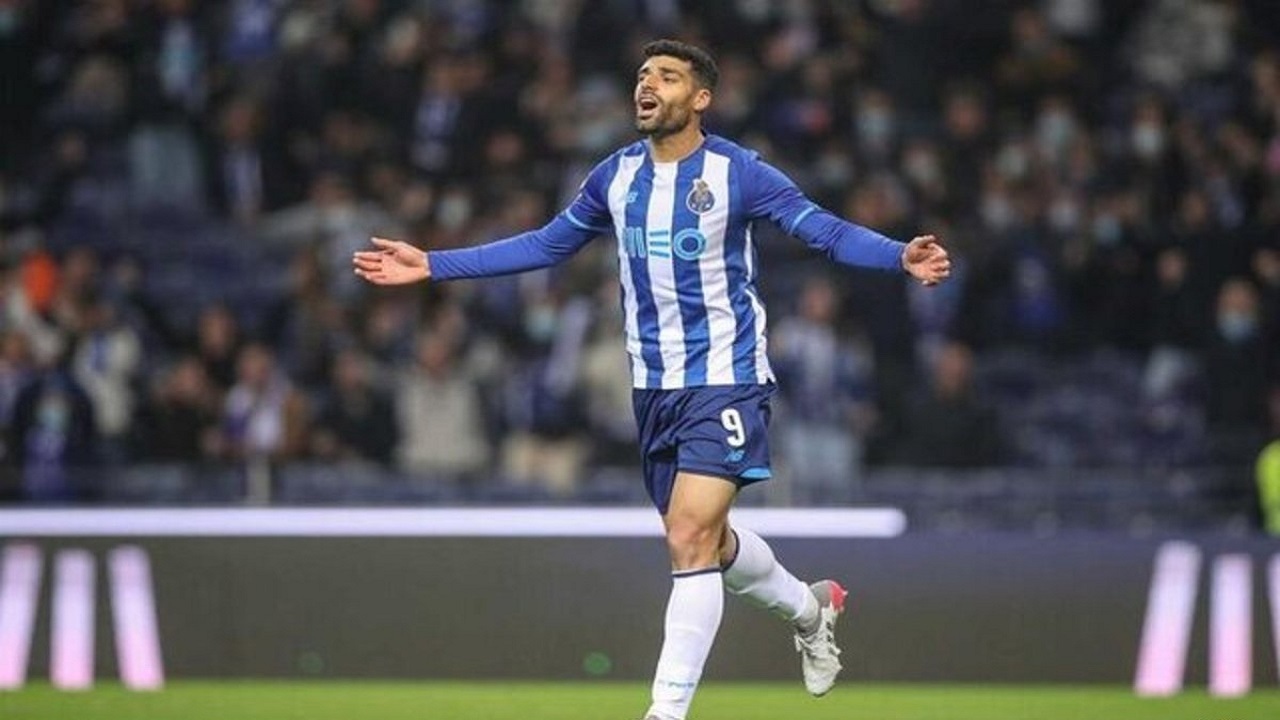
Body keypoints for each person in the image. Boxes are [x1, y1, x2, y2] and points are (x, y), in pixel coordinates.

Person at [354, 40, 950, 720]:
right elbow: (546, 245)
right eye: (643, 75)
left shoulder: (738, 173)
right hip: (653, 386)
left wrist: (898, 254)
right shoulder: (614, 176)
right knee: (710, 543)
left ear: (700, 98)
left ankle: (664, 713)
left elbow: (825, 232)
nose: (648, 85)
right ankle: (811, 610)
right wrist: (434, 264)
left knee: (689, 537)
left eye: (667, 77)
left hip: (724, 376)